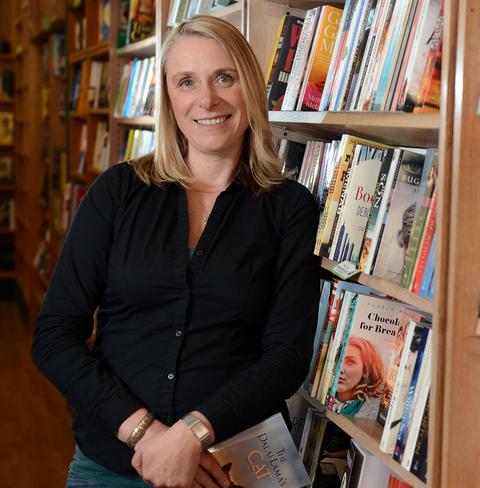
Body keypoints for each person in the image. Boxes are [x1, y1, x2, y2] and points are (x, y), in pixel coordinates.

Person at [32, 15, 320, 488]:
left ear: (249, 87)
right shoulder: (118, 192)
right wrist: (147, 435)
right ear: (168, 99)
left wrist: (191, 435)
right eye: (186, 82)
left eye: (223, 78)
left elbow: (287, 354)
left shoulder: (290, 208)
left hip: (233, 468)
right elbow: (54, 336)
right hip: (114, 464)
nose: (207, 99)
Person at [331, 337, 385, 417]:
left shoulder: (368, 409)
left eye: (350, 362)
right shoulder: (324, 394)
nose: (340, 369)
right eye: (339, 360)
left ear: (366, 370)